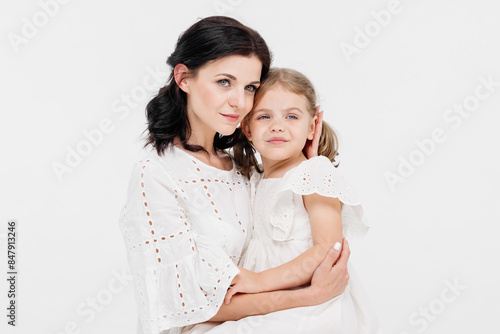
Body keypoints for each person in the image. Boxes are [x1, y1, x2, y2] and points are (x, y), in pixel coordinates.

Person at [119, 16, 351, 334]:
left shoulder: (243, 171)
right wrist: (310, 296)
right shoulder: (158, 175)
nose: (239, 102)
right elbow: (182, 304)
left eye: (250, 87)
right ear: (184, 78)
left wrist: (302, 167)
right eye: (224, 82)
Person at [197, 68, 379, 333]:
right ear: (247, 128)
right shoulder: (254, 179)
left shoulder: (315, 173)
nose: (277, 125)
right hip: (267, 297)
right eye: (264, 116)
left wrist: (259, 281)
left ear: (312, 126)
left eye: (291, 116)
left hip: (311, 301)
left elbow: (328, 250)